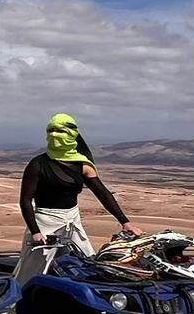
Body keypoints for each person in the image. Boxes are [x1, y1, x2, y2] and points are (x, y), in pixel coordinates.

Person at [15, 112, 140, 282]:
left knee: (90, 263)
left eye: (60, 131)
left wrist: (125, 222)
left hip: (72, 222)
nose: (54, 135)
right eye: (51, 131)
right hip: (44, 223)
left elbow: (102, 193)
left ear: (72, 134)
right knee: (30, 271)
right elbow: (25, 200)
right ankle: (15, 305)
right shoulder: (38, 165)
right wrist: (36, 231)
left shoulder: (83, 165)